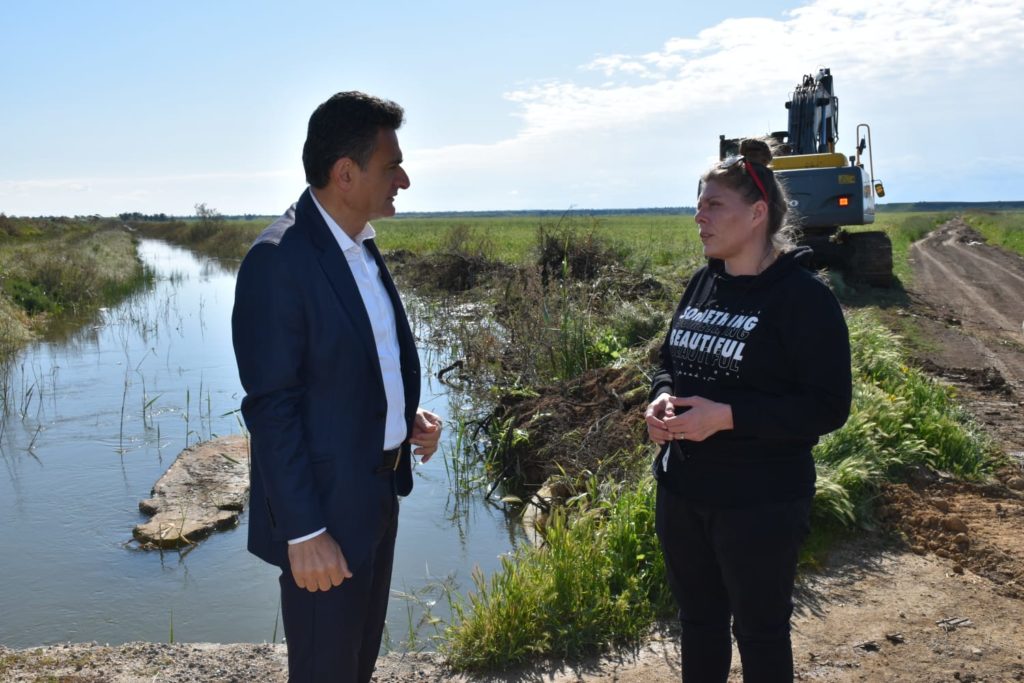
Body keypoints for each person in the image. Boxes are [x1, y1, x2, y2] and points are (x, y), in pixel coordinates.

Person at [232, 91, 442, 683]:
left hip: (376, 498)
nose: (403, 177)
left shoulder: (361, 248)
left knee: (355, 666)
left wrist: (403, 416)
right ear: (345, 174)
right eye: (391, 164)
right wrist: (303, 532)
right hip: (323, 518)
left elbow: (356, 362)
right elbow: (273, 409)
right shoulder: (278, 261)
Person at [644, 138, 852, 682]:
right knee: (698, 624)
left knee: (760, 634)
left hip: (760, 503)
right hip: (683, 492)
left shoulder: (803, 299)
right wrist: (660, 396)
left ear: (757, 214)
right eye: (698, 203)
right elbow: (670, 360)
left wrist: (727, 416)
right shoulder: (704, 282)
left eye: (713, 205)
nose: (699, 216)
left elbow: (828, 407)